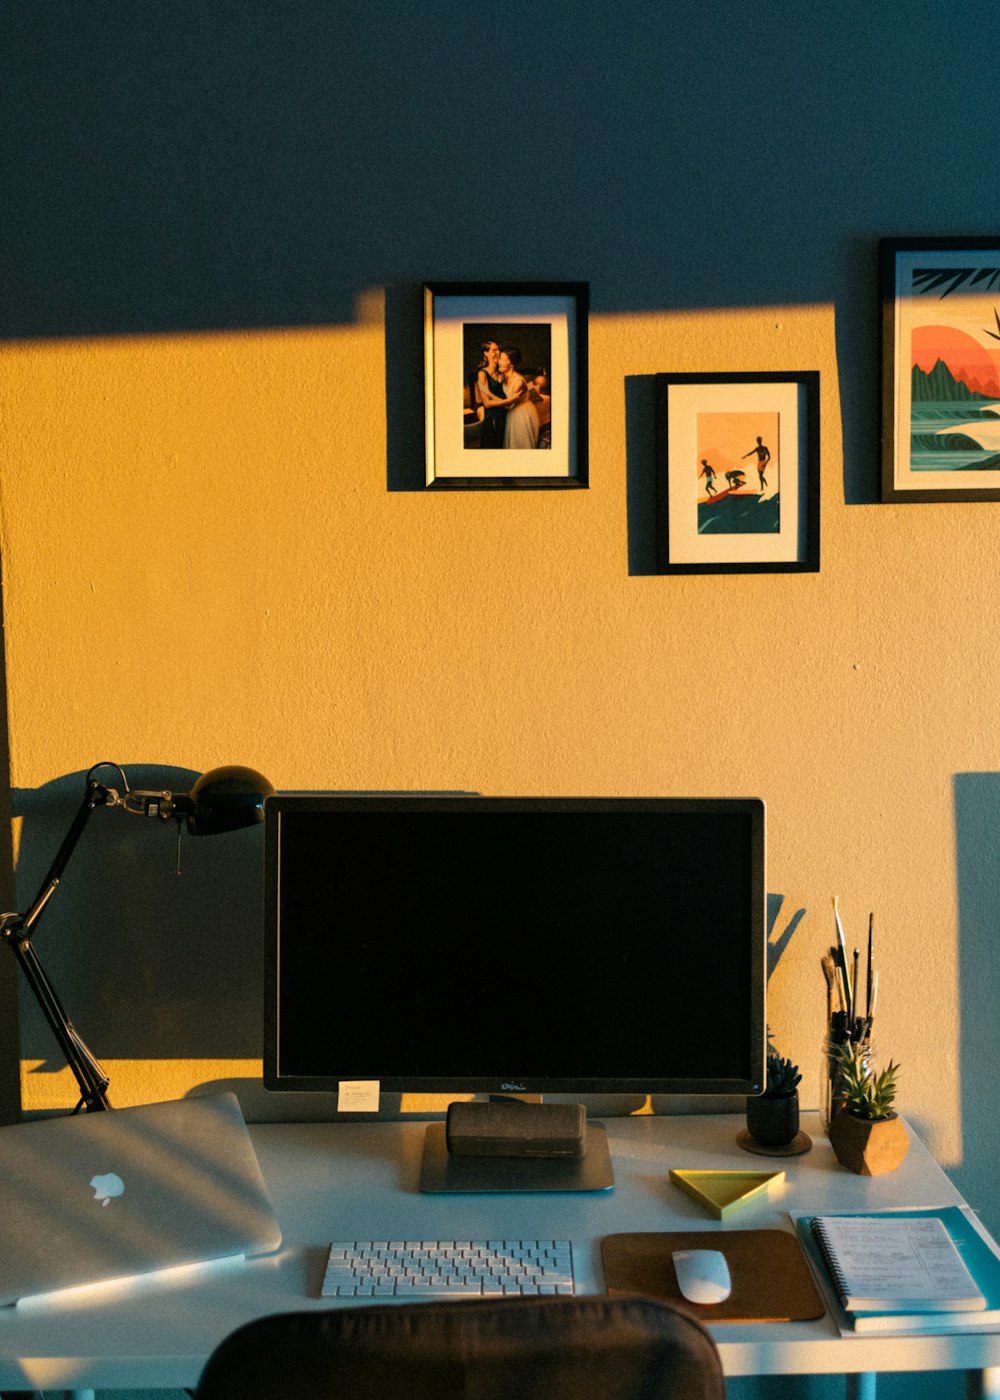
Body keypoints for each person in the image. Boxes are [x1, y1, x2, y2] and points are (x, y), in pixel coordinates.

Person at [497, 346, 538, 449]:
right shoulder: (502, 376)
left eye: (502, 359)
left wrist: (490, 402)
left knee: (521, 445)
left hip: (522, 415)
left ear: (511, 363)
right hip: (513, 413)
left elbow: (509, 405)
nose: (499, 362)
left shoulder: (518, 382)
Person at [472, 341, 507, 450]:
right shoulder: (482, 374)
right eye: (494, 350)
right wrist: (509, 402)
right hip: (493, 419)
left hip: (506, 415)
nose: (497, 353)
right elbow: (486, 403)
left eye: (498, 350)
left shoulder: (502, 372)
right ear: (485, 353)